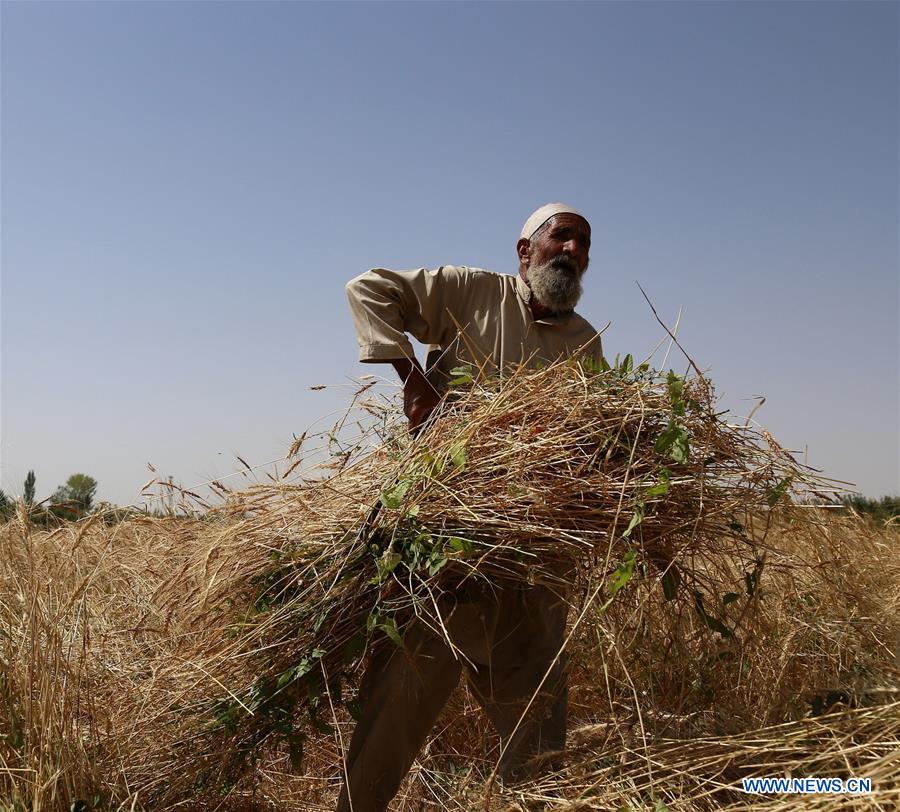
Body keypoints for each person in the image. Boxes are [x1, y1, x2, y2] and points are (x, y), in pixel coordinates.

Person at [339, 204, 602, 812]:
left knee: (538, 740)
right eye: (561, 236)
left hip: (532, 568)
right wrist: (412, 376)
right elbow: (367, 289)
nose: (572, 250)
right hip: (442, 556)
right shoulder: (470, 291)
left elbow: (596, 445)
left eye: (583, 243)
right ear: (524, 251)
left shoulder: (586, 343)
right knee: (390, 722)